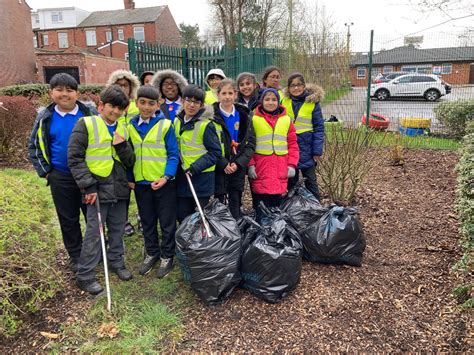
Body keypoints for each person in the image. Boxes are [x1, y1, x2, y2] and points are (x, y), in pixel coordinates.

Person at [68, 85, 136, 295]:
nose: (115, 112)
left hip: (119, 189)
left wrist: (121, 146)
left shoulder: (123, 129)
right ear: (101, 106)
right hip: (96, 189)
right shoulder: (86, 124)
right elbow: (75, 158)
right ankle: (85, 275)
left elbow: (131, 160)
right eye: (111, 107)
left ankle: (116, 262)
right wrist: (88, 186)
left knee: (117, 230)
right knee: (94, 234)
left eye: (120, 108)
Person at [28, 73, 98, 273]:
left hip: (87, 175)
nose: (64, 94)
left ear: (77, 93)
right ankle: (76, 255)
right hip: (60, 176)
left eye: (69, 90)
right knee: (68, 219)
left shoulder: (88, 114)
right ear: (51, 93)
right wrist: (47, 173)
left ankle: (95, 251)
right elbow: (34, 147)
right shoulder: (45, 118)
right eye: (59, 90)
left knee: (92, 216)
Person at [128, 86, 179, 278]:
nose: (146, 107)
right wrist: (130, 178)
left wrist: (166, 177)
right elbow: (127, 155)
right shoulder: (130, 126)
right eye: (142, 102)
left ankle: (167, 255)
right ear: (136, 103)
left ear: (158, 104)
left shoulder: (166, 125)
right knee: (147, 221)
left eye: (151, 103)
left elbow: (174, 155)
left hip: (163, 184)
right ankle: (151, 252)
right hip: (141, 184)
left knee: (166, 222)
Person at [247, 88, 299, 222]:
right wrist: (251, 164)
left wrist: (292, 165)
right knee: (260, 203)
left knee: (276, 203)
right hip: (261, 167)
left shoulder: (287, 120)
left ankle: (274, 233)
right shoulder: (254, 119)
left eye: (274, 100)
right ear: (261, 101)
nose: (271, 103)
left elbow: (292, 144)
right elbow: (248, 144)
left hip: (280, 167)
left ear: (278, 101)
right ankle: (261, 233)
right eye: (267, 99)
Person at [174, 85, 221, 223]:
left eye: (196, 102)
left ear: (201, 105)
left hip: (201, 180)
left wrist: (195, 167)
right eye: (189, 100)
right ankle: (185, 243)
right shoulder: (177, 121)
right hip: (182, 179)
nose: (192, 105)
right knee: (182, 216)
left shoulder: (206, 125)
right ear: (182, 101)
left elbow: (215, 153)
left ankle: (200, 244)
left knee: (199, 219)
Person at [212, 79, 256, 219]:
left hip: (237, 166)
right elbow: (209, 144)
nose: (227, 96)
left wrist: (238, 163)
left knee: (235, 200)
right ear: (218, 95)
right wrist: (223, 163)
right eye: (223, 93)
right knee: (219, 200)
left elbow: (250, 144)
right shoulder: (211, 116)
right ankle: (222, 231)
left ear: (235, 94)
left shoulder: (244, 115)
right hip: (220, 166)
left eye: (230, 93)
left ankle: (236, 230)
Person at [106, 69, 141, 235]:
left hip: (137, 152)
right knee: (123, 190)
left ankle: (142, 217)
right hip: (118, 152)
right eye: (118, 85)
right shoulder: (112, 107)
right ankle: (124, 220)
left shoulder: (136, 106)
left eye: (125, 85)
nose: (122, 88)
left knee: (140, 187)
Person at [281, 72, 324, 200]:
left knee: (311, 181)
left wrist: (317, 150)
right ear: (288, 88)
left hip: (307, 148)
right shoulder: (284, 101)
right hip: (289, 148)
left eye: (299, 85)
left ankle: (316, 208)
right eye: (292, 85)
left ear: (304, 86)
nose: (296, 88)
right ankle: (291, 209)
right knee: (290, 182)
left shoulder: (312, 102)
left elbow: (319, 127)